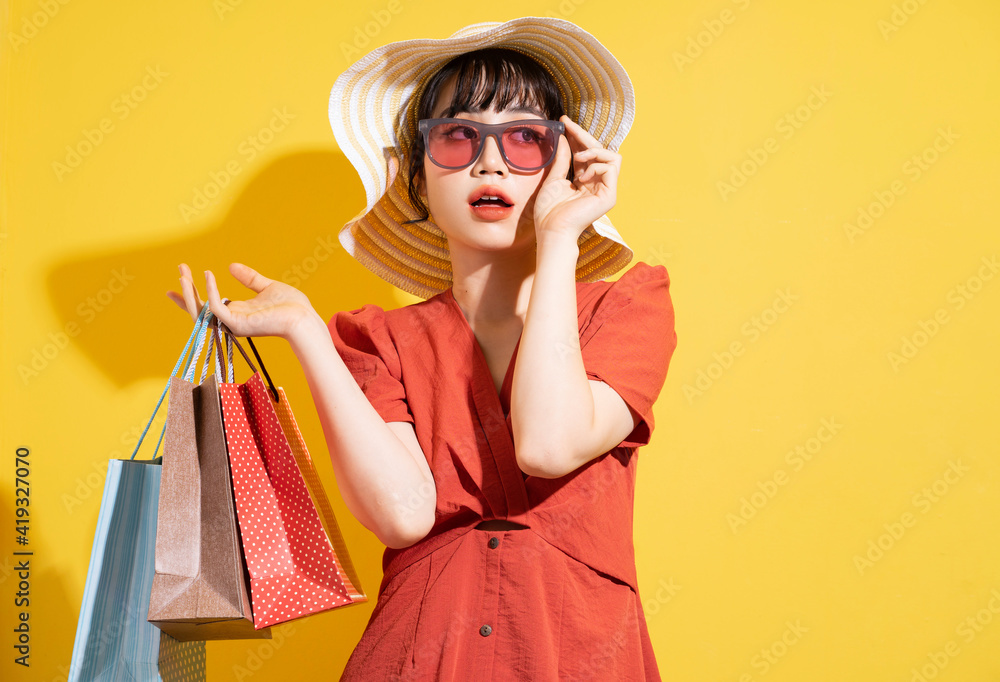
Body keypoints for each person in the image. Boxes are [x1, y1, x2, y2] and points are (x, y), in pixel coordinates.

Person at [167, 17, 677, 681]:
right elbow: (404, 515)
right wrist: (306, 333)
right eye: (458, 136)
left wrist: (561, 237)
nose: (489, 161)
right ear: (416, 174)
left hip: (577, 654)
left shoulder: (627, 307)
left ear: (567, 163)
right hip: (417, 657)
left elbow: (549, 445)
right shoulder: (376, 341)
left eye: (525, 139)